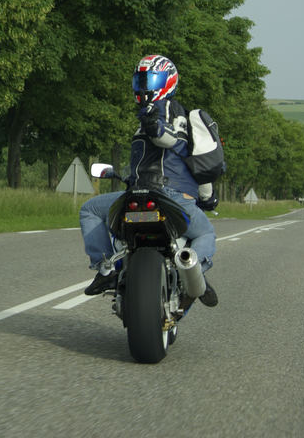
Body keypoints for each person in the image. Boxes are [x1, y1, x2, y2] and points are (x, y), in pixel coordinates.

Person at [79, 55, 219, 308]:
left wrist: (154, 126)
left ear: (168, 80)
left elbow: (166, 137)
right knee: (206, 232)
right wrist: (208, 199)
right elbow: (200, 167)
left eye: (150, 78)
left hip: (149, 195)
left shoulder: (166, 109)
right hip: (170, 196)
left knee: (89, 209)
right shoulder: (167, 117)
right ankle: (196, 269)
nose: (144, 86)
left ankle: (104, 267)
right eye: (140, 79)